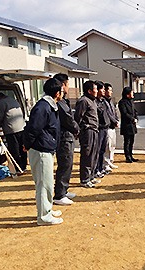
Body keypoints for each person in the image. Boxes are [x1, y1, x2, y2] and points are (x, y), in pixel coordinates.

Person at [23, 78, 64, 226]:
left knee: (47, 183)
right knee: (44, 184)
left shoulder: (50, 105)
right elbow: (33, 128)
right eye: (62, 91)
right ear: (57, 93)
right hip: (40, 150)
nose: (63, 93)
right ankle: (44, 217)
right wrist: (26, 144)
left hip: (45, 148)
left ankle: (47, 209)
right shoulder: (43, 107)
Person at [53, 73, 80, 205]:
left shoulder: (64, 100)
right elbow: (68, 119)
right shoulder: (60, 102)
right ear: (63, 85)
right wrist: (77, 129)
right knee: (64, 164)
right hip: (64, 137)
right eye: (68, 84)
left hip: (67, 136)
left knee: (68, 165)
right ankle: (59, 194)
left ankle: (64, 190)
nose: (69, 87)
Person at [74, 80, 100, 188]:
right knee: (87, 155)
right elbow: (78, 117)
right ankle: (84, 179)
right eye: (95, 89)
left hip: (95, 130)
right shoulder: (83, 101)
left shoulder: (92, 100)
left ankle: (91, 176)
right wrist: (77, 130)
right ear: (89, 91)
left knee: (94, 154)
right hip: (87, 131)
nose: (97, 91)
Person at [0, 92, 27, 172]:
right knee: (22, 148)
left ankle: (18, 168)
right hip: (21, 127)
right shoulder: (13, 100)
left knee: (14, 149)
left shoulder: (1, 103)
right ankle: (24, 166)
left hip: (11, 129)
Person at [94, 80, 110, 178]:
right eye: (102, 89)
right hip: (99, 129)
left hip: (105, 128)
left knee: (102, 151)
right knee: (98, 151)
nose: (104, 91)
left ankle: (100, 168)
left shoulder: (102, 101)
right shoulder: (95, 102)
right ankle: (96, 170)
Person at [118, 87, 139, 163]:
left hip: (132, 125)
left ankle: (131, 155)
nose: (133, 94)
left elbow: (135, 111)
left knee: (132, 141)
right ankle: (127, 157)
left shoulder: (131, 101)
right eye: (131, 93)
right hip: (126, 125)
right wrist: (132, 119)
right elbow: (124, 113)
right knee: (127, 141)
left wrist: (136, 118)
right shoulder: (122, 102)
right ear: (127, 94)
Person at [103, 83, 119, 172]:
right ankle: (105, 164)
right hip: (108, 126)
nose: (111, 92)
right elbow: (108, 114)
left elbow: (114, 112)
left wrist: (117, 120)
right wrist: (114, 121)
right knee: (107, 146)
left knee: (113, 145)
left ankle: (110, 161)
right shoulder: (103, 102)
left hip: (113, 126)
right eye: (109, 90)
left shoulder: (110, 101)